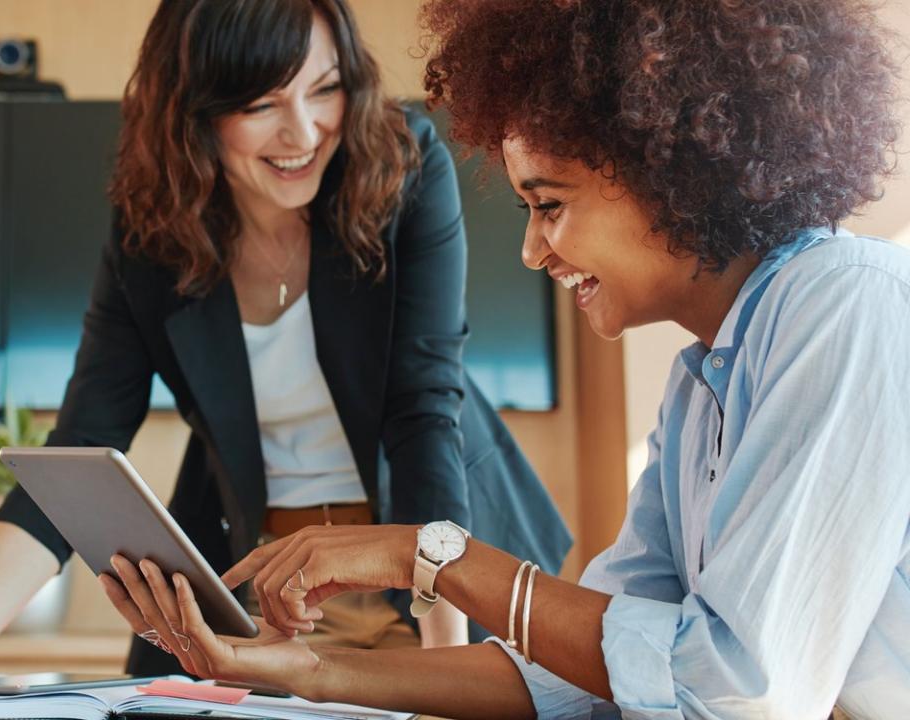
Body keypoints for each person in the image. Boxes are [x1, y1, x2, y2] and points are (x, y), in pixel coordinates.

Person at [97, 0, 909, 718]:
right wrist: (309, 671)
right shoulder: (700, 383)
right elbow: (594, 673)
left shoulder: (845, 302)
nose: (530, 249)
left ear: (674, 170)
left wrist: (430, 556)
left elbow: (736, 690)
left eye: (547, 205)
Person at [0, 0, 573, 679]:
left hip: (429, 574)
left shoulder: (402, 167)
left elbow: (422, 410)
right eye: (261, 104)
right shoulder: (151, 233)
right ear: (195, 110)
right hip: (270, 591)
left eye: (325, 88)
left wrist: (450, 658)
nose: (304, 131)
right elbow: (75, 456)